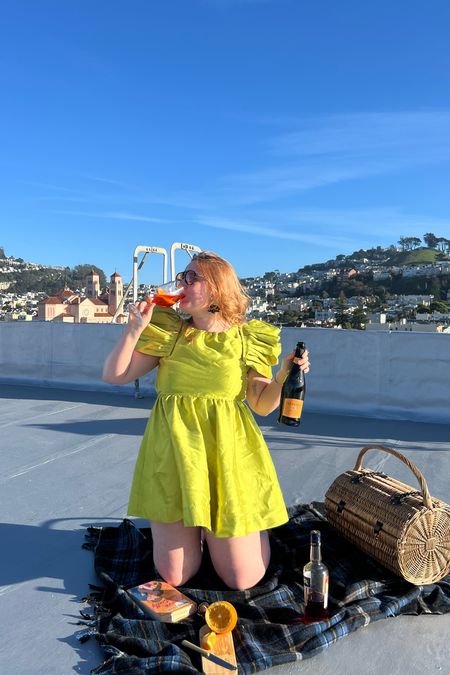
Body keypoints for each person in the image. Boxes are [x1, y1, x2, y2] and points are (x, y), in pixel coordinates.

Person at [103, 251, 309, 590]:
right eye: (182, 277)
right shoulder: (169, 333)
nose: (181, 283)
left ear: (216, 289)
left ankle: (245, 527)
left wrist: (284, 374)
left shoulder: (247, 339)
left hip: (226, 458)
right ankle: (198, 529)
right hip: (174, 457)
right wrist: (133, 329)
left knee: (242, 579)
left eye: (190, 277)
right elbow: (114, 375)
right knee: (174, 576)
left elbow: (262, 404)